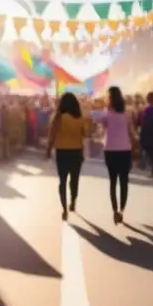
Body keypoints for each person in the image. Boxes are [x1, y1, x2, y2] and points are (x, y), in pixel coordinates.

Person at [46, 92, 88, 221]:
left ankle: (64, 208)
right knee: (74, 180)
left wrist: (48, 150)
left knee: (62, 181)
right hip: (77, 151)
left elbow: (52, 135)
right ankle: (73, 201)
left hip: (62, 151)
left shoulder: (58, 117)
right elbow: (84, 133)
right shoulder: (80, 118)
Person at [100, 87, 134, 225]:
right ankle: (121, 210)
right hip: (125, 149)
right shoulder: (127, 113)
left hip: (110, 150)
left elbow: (102, 127)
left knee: (113, 181)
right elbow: (131, 131)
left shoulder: (106, 114)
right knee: (124, 181)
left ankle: (115, 210)